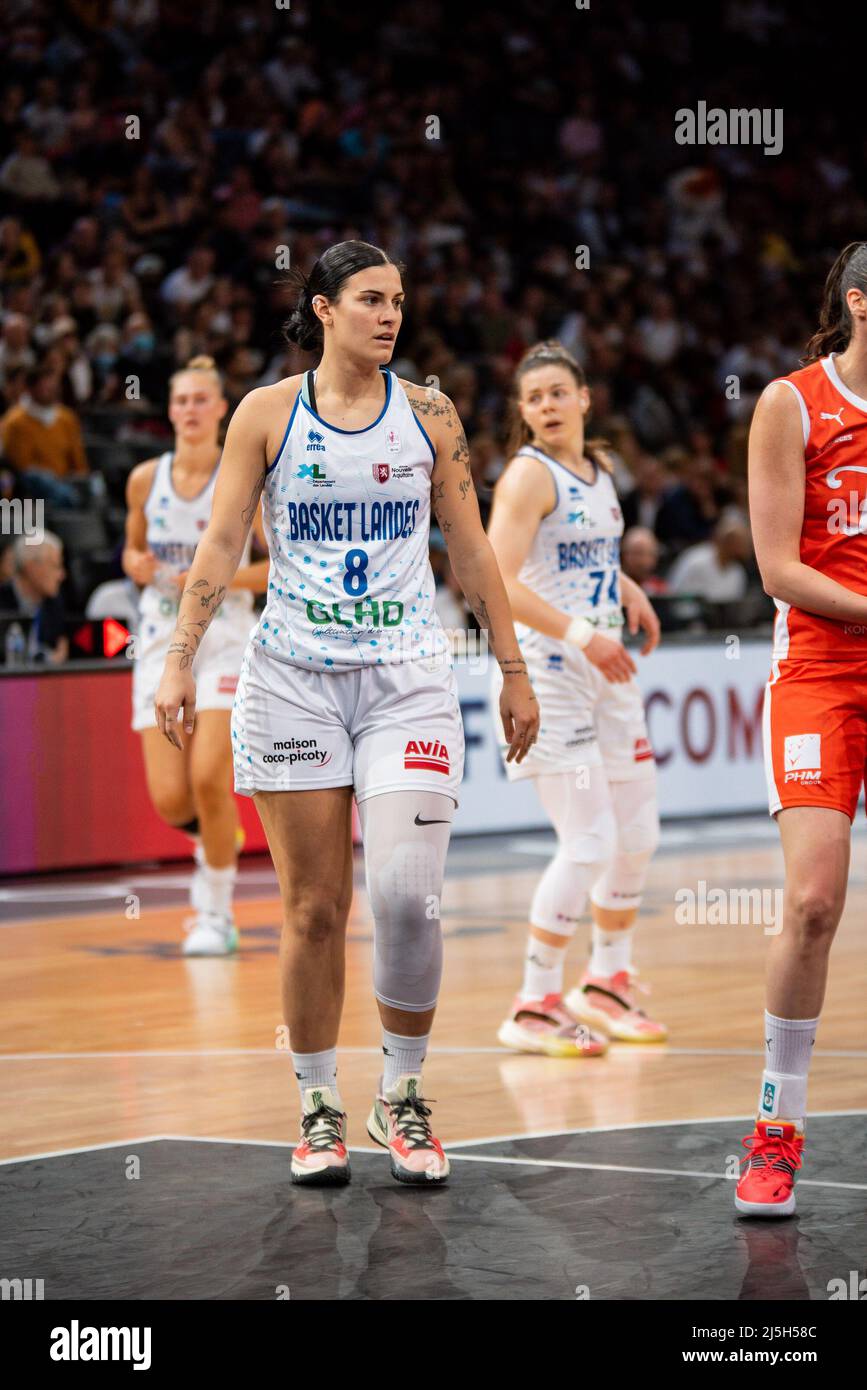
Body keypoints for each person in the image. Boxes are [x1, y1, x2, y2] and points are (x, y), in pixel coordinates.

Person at [152, 241, 539, 1186]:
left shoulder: (429, 414)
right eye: (369, 299)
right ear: (322, 309)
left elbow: (472, 549)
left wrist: (513, 666)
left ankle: (401, 1096)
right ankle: (318, 1105)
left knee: (407, 897)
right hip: (292, 681)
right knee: (314, 909)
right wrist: (177, 659)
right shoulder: (266, 414)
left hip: (408, 677)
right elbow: (217, 545)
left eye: (398, 301)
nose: (389, 314)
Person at [487, 340, 666, 1058]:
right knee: (588, 842)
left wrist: (624, 590)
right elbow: (497, 578)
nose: (547, 407)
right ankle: (532, 1001)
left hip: (605, 671)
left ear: (584, 399)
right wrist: (580, 631)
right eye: (534, 399)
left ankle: (604, 980)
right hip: (553, 673)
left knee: (638, 835)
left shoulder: (599, 469)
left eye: (558, 393)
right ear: (523, 413)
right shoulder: (527, 477)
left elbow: (586, 555)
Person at [743, 240, 867, 1216]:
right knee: (816, 901)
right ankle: (776, 1127)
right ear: (859, 303)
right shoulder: (792, 402)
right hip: (822, 670)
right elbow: (778, 569)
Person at [123, 356, 268, 956]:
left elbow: (272, 567)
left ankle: (214, 910)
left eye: (200, 401)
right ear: (170, 410)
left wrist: (215, 579)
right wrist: (138, 566)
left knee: (211, 776)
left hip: (225, 638)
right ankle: (216, 836)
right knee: (171, 799)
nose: (189, 410)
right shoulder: (142, 479)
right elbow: (131, 553)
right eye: (180, 401)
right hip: (159, 639)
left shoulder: (241, 479)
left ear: (220, 410)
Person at [0, 531, 67, 663]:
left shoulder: (54, 605)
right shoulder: (2, 602)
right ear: (32, 567)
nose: (62, 575)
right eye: (56, 566)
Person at [666, 515, 750, 602]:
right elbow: (674, 593)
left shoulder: (738, 572)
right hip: (685, 613)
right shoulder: (696, 559)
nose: (744, 549)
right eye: (739, 543)